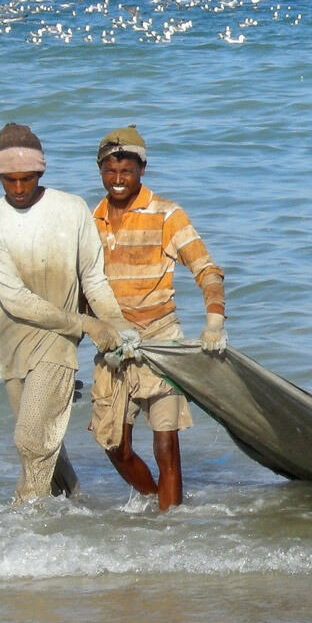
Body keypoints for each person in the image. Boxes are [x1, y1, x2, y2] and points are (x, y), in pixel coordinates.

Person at [0, 122, 135, 505]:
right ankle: (75, 507)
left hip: (58, 343)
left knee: (31, 439)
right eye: (9, 180)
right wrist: (88, 323)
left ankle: (22, 519)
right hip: (12, 345)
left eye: (27, 178)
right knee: (45, 444)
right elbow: (15, 300)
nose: (18, 188)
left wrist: (115, 325)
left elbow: (93, 279)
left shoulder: (71, 209)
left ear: (40, 172)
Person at [88, 125, 227, 511]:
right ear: (100, 170)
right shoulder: (89, 220)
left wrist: (214, 321)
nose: (118, 179)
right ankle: (154, 504)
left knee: (166, 445)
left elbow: (207, 270)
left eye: (127, 171)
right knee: (115, 446)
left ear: (142, 170)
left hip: (162, 342)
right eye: (110, 171)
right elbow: (81, 288)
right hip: (114, 346)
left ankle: (171, 524)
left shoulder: (167, 215)